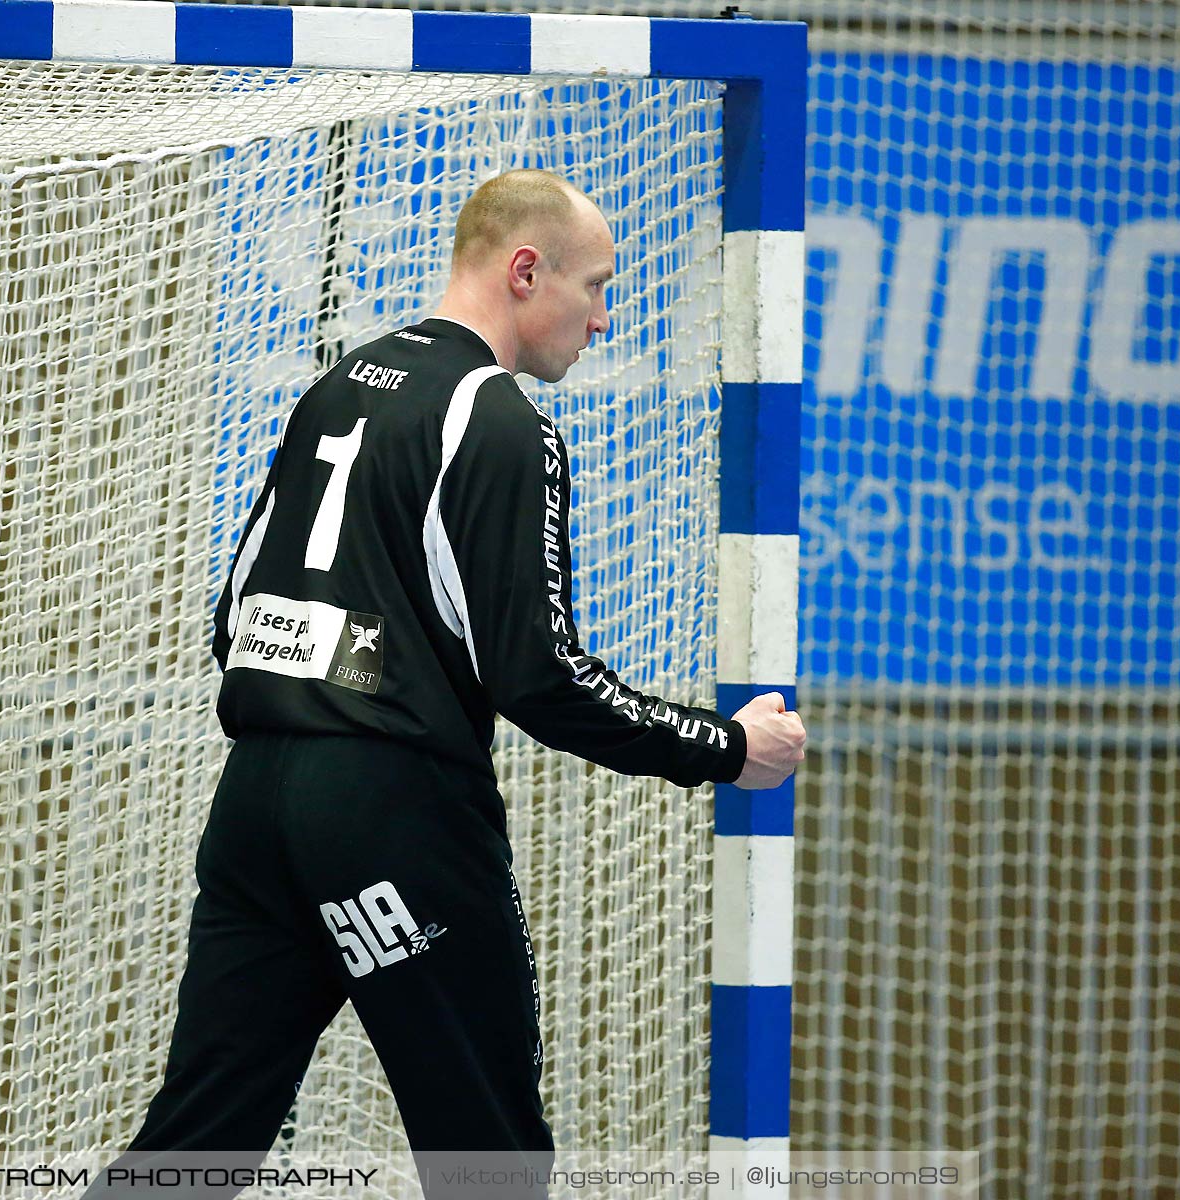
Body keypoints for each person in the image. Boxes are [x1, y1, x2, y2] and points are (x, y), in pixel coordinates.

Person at [100, 169, 806, 1193]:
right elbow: (542, 679)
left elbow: (235, 620)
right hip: (397, 816)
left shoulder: (338, 385)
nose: (603, 319)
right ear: (527, 272)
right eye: (597, 287)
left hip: (256, 808)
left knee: (193, 1148)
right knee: (492, 1163)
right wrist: (727, 749)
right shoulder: (502, 421)